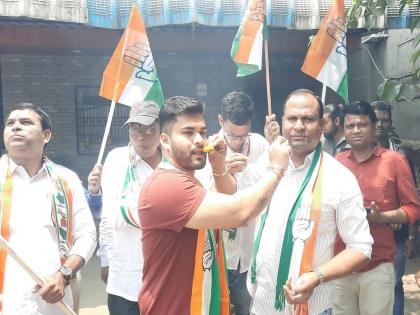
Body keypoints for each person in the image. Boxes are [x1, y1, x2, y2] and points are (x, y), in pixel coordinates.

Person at [138, 96, 290, 314]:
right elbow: (240, 212)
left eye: (202, 132)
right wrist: (276, 168)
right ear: (165, 140)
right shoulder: (167, 184)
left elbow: (226, 195)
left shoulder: (187, 179)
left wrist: (218, 165)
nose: (199, 140)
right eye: (188, 133)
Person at [248, 89, 373, 315]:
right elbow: (231, 199)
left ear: (323, 124)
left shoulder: (340, 178)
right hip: (261, 303)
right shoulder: (264, 168)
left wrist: (317, 277)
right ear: (282, 121)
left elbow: (361, 247)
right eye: (292, 118)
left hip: (312, 306)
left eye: (308, 119)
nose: (298, 126)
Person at [0, 103, 97, 314]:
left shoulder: (66, 179)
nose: (16, 127)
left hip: (54, 304)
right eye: (10, 124)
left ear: (46, 135)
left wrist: (64, 275)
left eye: (25, 122)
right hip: (7, 302)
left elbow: (87, 235)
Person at [334, 101, 420, 315]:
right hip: (340, 263)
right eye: (350, 125)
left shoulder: (395, 161)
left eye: (362, 125)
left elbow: (412, 208)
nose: (355, 130)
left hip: (378, 262)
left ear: (374, 128)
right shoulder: (337, 161)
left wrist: (381, 218)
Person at [97, 101, 162, 315]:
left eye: (149, 129)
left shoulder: (173, 163)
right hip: (124, 277)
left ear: (162, 130)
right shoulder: (116, 159)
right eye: (135, 129)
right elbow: (107, 216)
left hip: (164, 276)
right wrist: (105, 259)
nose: (141, 136)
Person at [217, 91, 277, 315]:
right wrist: (221, 172)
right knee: (218, 306)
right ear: (221, 121)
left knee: (246, 305)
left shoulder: (260, 145)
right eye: (232, 135)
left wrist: (274, 144)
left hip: (251, 249)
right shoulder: (209, 149)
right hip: (220, 250)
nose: (237, 141)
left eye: (243, 136)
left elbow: (272, 185)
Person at [371, 100, 417, 315]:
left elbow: (411, 200)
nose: (380, 124)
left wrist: (411, 237)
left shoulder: (401, 155)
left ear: (390, 123)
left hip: (395, 234)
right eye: (376, 120)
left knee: (395, 284)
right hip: (363, 235)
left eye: (385, 120)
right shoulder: (349, 152)